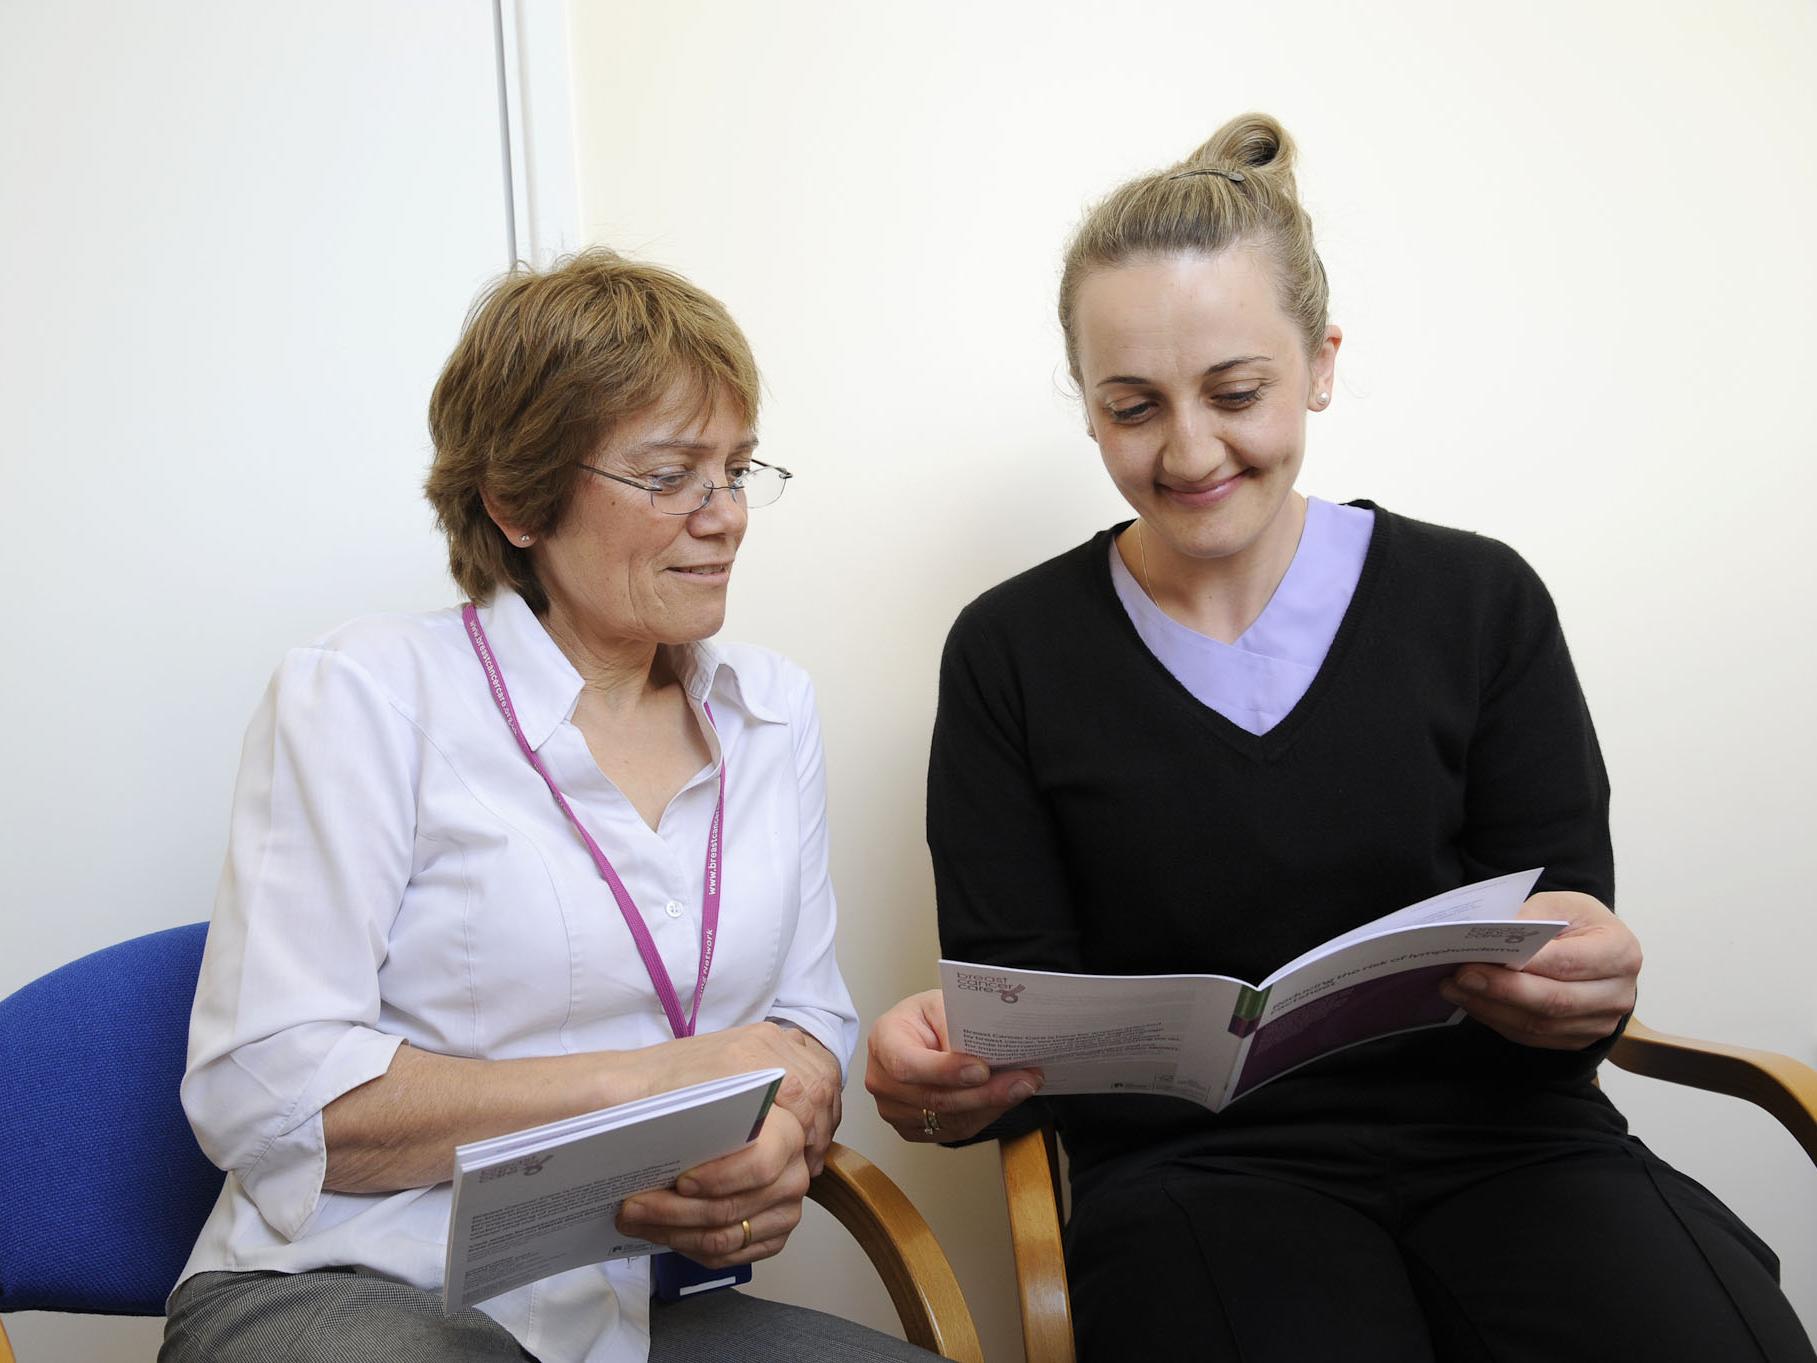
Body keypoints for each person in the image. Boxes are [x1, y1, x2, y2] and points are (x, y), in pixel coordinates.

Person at [866, 116, 1815, 1361]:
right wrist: (941, 1083)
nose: (1190, 449)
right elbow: (1014, 1028)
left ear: (1318, 363)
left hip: (1512, 1151)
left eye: (1236, 392)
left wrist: (1581, 980)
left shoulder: (1478, 603)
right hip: (1189, 1185)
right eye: (1131, 407)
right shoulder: (1009, 653)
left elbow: (1566, 914)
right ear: (1086, 407)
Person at [162, 250, 938, 1363]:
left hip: (645, 1304)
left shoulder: (772, 708)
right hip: (362, 1285)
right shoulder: (365, 695)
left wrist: (783, 1139)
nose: (723, 516)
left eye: (735, 468)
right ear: (517, 501)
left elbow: (805, 1021)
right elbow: (266, 1089)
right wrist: (664, 1080)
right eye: (670, 475)